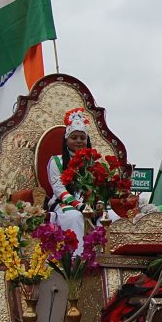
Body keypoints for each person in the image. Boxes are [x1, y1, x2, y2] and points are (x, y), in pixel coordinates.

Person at [47, 107, 96, 254]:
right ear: (66, 139)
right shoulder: (56, 161)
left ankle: (106, 261)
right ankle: (78, 262)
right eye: (74, 138)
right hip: (65, 204)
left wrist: (98, 203)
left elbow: (98, 188)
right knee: (75, 216)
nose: (79, 141)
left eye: (82, 138)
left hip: (90, 204)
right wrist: (79, 205)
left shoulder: (93, 163)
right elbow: (58, 189)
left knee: (110, 216)